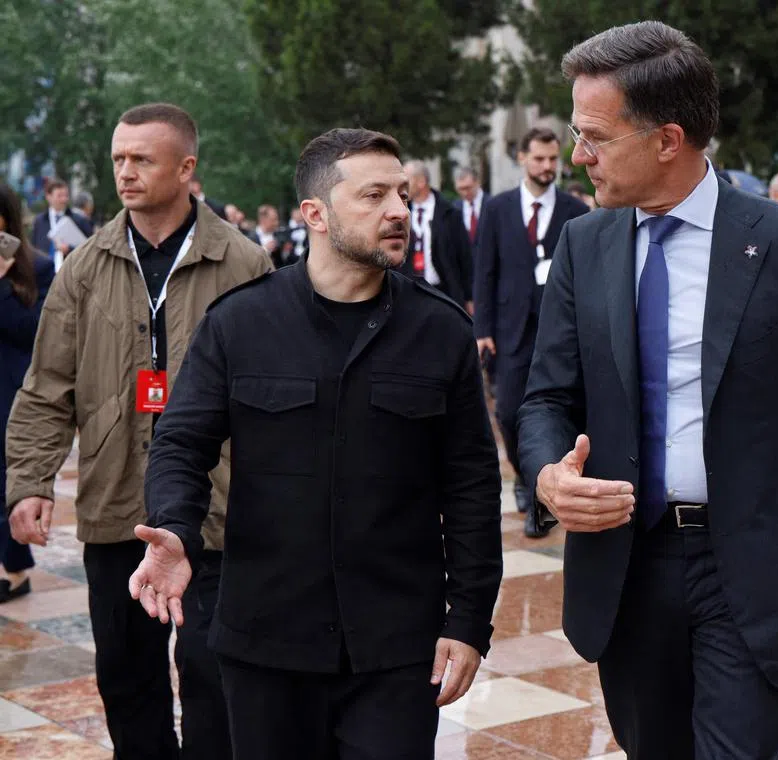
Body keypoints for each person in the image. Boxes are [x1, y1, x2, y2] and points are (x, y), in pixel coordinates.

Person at [517, 22, 778, 759]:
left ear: (667, 138)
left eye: (595, 137)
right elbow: (545, 397)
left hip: (754, 572)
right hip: (627, 569)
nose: (578, 156)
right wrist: (546, 476)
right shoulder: (586, 243)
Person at [129, 127, 503, 760]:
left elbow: (471, 486)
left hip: (396, 649)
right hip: (266, 641)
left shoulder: (441, 332)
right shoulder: (240, 324)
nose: (398, 212)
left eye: (404, 196)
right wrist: (173, 527)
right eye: (375, 195)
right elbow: (181, 444)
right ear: (315, 215)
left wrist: (468, 620)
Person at [5, 103, 272, 760]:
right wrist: (29, 482)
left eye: (141, 159)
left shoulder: (244, 264)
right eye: (119, 158)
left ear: (186, 168)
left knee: (215, 676)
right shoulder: (86, 267)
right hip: (115, 504)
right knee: (126, 677)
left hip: (218, 511)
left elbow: (276, 397)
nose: (125, 172)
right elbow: (47, 387)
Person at [473, 126, 589, 537]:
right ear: (522, 158)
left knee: (558, 411)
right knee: (507, 411)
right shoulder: (497, 209)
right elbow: (484, 270)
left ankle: (543, 496)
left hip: (559, 332)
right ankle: (526, 476)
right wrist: (482, 326)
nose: (547, 167)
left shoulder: (575, 211)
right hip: (510, 331)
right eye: (539, 158)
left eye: (553, 159)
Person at [0, 184, 53, 604]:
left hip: (11, 388)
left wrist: (1, 282)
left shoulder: (37, 267)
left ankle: (16, 569)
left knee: (7, 481)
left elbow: (34, 332)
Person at [398, 161, 474, 312]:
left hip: (444, 293)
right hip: (408, 293)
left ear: (421, 182)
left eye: (407, 181)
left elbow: (465, 257)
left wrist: (469, 297)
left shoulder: (450, 213)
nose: (403, 186)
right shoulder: (400, 212)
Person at [31, 178, 94, 270]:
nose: (64, 199)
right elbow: (34, 248)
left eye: (66, 195)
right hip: (46, 273)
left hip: (71, 271)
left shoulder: (79, 220)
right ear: (48, 196)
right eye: (59, 196)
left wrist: (70, 249)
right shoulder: (39, 221)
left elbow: (91, 248)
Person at [247, 204, 297, 269]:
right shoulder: (250, 238)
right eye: (273, 220)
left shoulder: (281, 234)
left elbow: (289, 261)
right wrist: (265, 249)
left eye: (277, 219)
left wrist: (286, 251)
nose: (277, 223)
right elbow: (250, 261)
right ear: (263, 220)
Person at [454, 166, 487, 244]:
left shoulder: (492, 204)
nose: (465, 193)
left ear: (477, 183)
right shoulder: (455, 208)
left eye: (468, 188)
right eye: (460, 189)